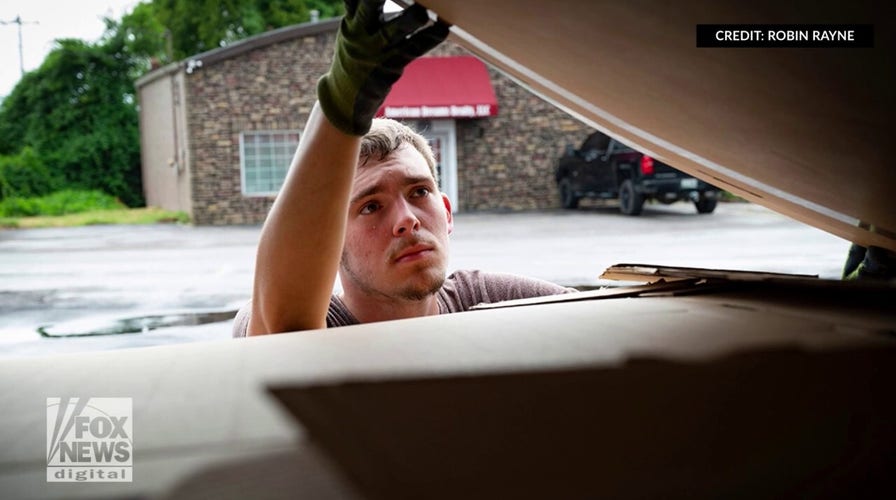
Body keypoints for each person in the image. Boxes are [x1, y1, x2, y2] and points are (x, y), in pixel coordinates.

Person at [234, 0, 572, 337]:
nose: (407, 220)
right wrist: (339, 101)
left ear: (447, 212)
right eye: (371, 206)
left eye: (420, 192)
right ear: (330, 241)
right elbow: (279, 325)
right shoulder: (322, 324)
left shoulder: (485, 299)